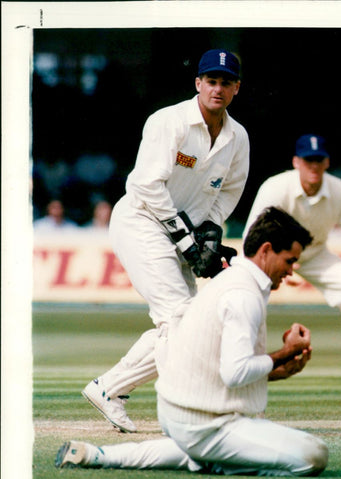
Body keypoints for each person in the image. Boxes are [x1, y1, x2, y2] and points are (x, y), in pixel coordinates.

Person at [55, 208, 328, 477]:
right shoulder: (244, 295)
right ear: (266, 250)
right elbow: (235, 374)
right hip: (205, 423)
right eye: (290, 261)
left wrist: (281, 370)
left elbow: (220, 370)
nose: (292, 271)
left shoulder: (234, 280)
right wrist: (285, 352)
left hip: (178, 415)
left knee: (194, 449)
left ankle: (97, 455)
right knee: (314, 455)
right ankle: (215, 462)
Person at [81, 49, 250, 433]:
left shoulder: (237, 138)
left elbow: (228, 193)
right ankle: (117, 391)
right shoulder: (169, 123)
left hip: (182, 232)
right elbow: (145, 185)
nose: (217, 89)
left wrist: (209, 232)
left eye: (226, 82)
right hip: (140, 220)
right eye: (211, 81)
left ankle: (109, 388)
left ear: (236, 88)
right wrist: (188, 241)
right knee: (180, 319)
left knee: (190, 324)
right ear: (198, 84)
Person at [244, 134, 341, 383]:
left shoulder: (338, 190)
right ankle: (247, 359)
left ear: (327, 163)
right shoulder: (275, 187)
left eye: (318, 160)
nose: (313, 166)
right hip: (275, 257)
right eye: (308, 160)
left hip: (315, 254)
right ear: (296, 162)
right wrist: (277, 266)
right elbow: (252, 235)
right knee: (250, 297)